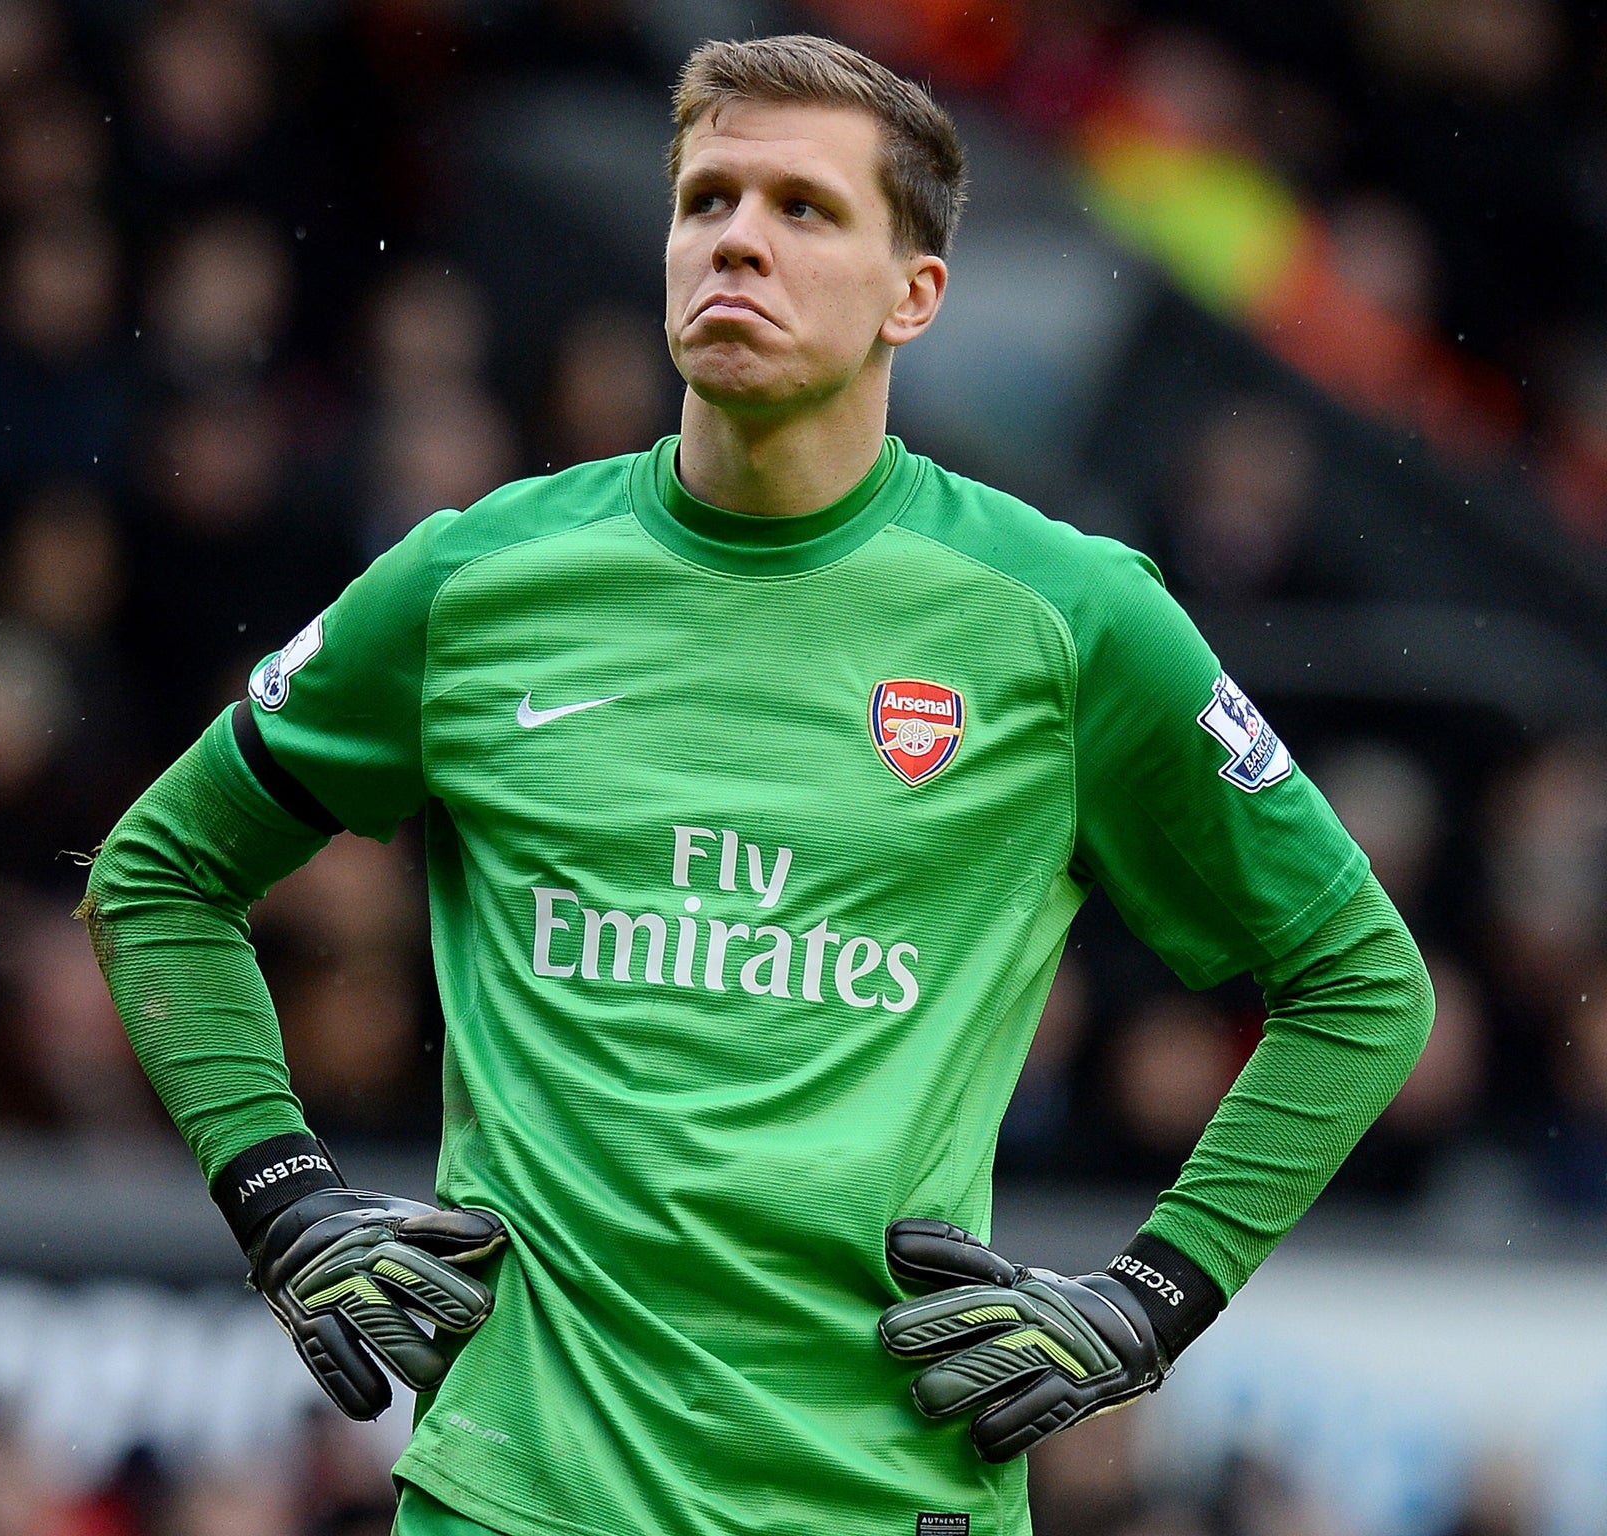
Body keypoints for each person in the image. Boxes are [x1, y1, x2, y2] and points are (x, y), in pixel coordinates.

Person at [78, 34, 1433, 1536]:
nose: (737, 236)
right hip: (516, 1499)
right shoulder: (477, 580)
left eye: (804, 208)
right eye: (707, 198)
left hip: (880, 1496)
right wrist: (279, 1198)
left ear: (914, 293)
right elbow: (160, 874)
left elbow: (1362, 985)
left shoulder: (1068, 617)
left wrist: (1148, 1302)